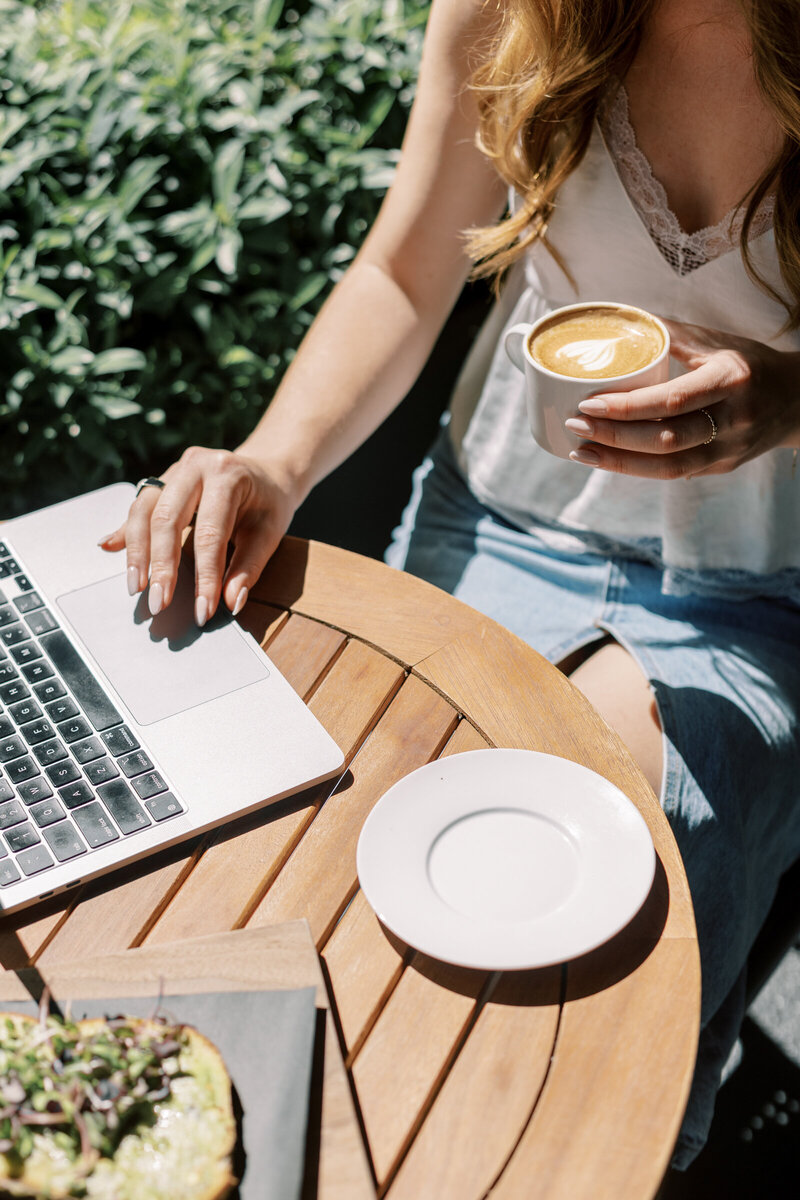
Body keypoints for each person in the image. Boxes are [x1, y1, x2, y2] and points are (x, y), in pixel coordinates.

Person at [100, 0, 800, 1170]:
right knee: (367, 853)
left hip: (754, 585)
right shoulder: (507, 14)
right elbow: (401, 271)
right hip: (497, 518)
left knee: (618, 880)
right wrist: (274, 460)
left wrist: (787, 400)